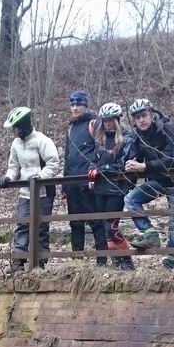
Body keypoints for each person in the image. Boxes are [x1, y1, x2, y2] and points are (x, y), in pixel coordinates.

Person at [122, 99, 174, 264]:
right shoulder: (138, 135)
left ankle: (170, 261)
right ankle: (150, 234)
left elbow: (171, 159)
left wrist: (144, 166)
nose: (141, 120)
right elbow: (135, 156)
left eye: (144, 116)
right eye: (137, 118)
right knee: (130, 199)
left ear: (151, 114)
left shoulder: (167, 129)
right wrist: (130, 163)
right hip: (157, 181)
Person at [0, 107, 60, 270]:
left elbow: (54, 163)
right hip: (25, 192)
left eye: (15, 128)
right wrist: (8, 177)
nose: (13, 131)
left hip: (44, 191)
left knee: (41, 225)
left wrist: (40, 176)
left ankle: (41, 260)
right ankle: (19, 260)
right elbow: (14, 166)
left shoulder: (41, 140)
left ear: (23, 126)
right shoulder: (16, 144)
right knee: (22, 224)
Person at [87, 103, 135, 270]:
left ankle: (127, 260)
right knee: (104, 224)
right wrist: (92, 169)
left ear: (117, 120)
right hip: (100, 188)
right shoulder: (99, 140)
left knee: (111, 225)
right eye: (104, 120)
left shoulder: (126, 139)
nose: (107, 123)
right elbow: (94, 160)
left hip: (117, 187)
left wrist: (105, 169)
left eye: (110, 120)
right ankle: (116, 261)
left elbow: (125, 164)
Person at [63, 89, 107, 266]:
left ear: (85, 105)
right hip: (72, 181)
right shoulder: (71, 127)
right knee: (75, 223)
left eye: (78, 104)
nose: (75, 108)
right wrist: (64, 184)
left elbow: (101, 148)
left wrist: (94, 169)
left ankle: (102, 261)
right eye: (72, 104)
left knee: (96, 222)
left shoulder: (94, 123)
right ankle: (77, 261)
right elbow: (67, 156)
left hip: (89, 182)